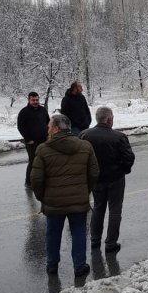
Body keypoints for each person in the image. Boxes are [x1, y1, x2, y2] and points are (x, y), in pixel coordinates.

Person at [30, 114, 99, 278]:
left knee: (53, 233)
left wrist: (42, 197)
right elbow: (94, 173)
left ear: (55, 128)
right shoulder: (85, 146)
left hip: (54, 202)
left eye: (49, 126)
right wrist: (85, 191)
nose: (47, 129)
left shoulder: (43, 149)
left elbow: (36, 179)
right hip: (78, 200)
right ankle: (79, 266)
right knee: (79, 233)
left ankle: (52, 265)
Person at [80, 106, 135, 254]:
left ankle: (95, 240)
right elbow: (129, 158)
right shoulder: (119, 137)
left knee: (98, 208)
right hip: (115, 178)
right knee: (115, 210)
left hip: (96, 180)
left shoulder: (84, 135)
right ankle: (111, 243)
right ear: (110, 119)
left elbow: (80, 158)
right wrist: (124, 169)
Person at [17, 92, 50, 187]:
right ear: (29, 100)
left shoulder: (43, 110)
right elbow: (21, 127)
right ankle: (28, 182)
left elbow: (48, 123)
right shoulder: (24, 112)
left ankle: (44, 179)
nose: (35, 102)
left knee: (45, 160)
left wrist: (49, 135)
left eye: (37, 100)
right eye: (33, 100)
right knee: (33, 161)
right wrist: (28, 139)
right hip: (32, 142)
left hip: (44, 140)